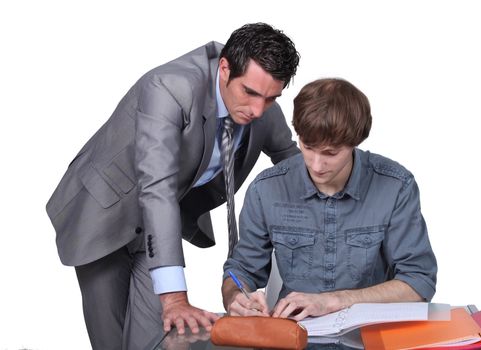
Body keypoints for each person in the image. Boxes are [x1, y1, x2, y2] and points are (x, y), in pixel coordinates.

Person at [46, 23, 300, 350]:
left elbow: (292, 161)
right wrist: (175, 297)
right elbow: (157, 187)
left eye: (270, 98)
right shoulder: (169, 88)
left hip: (160, 226)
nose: (257, 110)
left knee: (154, 337)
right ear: (224, 69)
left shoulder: (261, 101)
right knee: (111, 338)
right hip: (102, 212)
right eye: (250, 93)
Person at [222, 78, 437, 320]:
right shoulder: (266, 189)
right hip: (295, 335)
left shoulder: (395, 186)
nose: (316, 164)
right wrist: (236, 297)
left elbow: (418, 282)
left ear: (356, 142)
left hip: (372, 335)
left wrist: (335, 301)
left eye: (330, 153)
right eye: (307, 147)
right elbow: (241, 271)